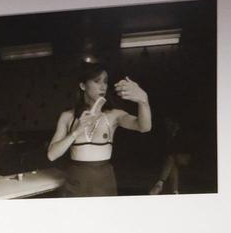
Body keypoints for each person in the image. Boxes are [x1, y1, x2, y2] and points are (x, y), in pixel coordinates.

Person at [46, 63, 152, 196]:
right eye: (97, 81)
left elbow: (144, 127)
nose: (103, 86)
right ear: (83, 85)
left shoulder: (114, 115)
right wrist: (76, 132)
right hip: (75, 183)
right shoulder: (67, 116)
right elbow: (51, 155)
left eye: (105, 82)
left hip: (104, 182)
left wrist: (143, 101)